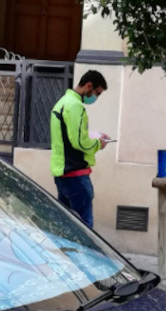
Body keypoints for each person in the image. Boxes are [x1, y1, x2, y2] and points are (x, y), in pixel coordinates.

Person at [50, 70, 110, 228]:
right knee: (84, 231)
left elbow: (68, 137)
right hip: (76, 176)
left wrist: (93, 136)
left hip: (62, 174)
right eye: (97, 93)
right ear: (89, 86)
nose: (95, 97)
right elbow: (79, 142)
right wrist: (99, 144)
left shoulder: (62, 102)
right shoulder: (75, 106)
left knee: (63, 228)